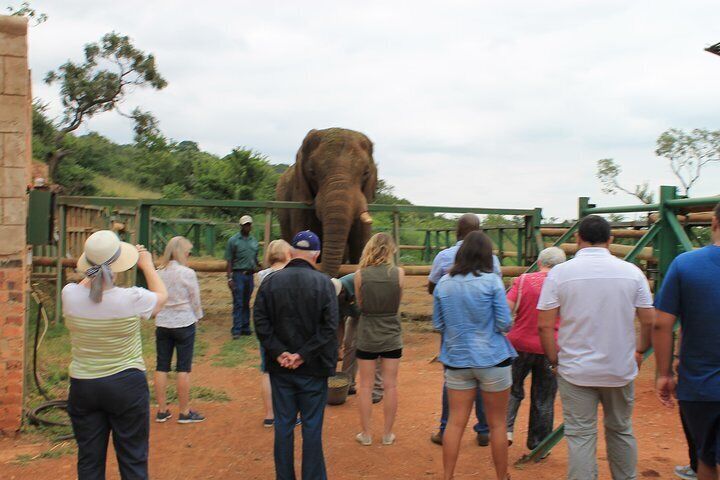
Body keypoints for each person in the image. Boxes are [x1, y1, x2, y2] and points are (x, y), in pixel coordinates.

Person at [537, 215, 655, 480]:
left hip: (576, 370)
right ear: (611, 240)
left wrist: (555, 361)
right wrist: (639, 351)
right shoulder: (631, 272)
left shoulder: (560, 273)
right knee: (621, 429)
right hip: (619, 368)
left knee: (580, 435)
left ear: (578, 239)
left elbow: (544, 326)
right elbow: (649, 320)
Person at [62, 230, 168, 479]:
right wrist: (148, 266)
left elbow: (87, 285)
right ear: (118, 264)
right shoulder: (132, 298)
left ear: (86, 265)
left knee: (89, 461)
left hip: (84, 387)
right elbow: (162, 298)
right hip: (126, 386)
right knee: (133, 459)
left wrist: (95, 266)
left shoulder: (69, 295)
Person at [254, 230, 339, 480]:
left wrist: (280, 353)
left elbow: (260, 321)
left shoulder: (270, 282)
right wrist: (302, 355)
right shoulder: (325, 283)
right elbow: (329, 328)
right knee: (312, 427)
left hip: (281, 369)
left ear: (290, 253)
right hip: (313, 369)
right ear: (317, 255)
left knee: (283, 425)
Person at [433, 231, 516, 480]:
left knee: (455, 423)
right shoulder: (492, 282)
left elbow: (438, 324)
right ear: (486, 255)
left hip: (457, 360)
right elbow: (504, 323)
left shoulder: (444, 284)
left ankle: (447, 475)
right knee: (498, 424)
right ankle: (502, 476)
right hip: (493, 359)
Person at [654, 202, 720, 480]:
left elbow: (661, 323)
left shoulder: (685, 264)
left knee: (706, 457)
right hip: (700, 385)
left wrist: (665, 373)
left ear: (714, 222)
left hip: (700, 386)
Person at [428, 213, 502, 447]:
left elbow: (432, 287)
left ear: (456, 231)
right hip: (485, 333)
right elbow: (497, 294)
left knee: (453, 379)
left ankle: (444, 429)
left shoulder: (443, 256)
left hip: (453, 330)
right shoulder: (493, 259)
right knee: (483, 377)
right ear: (479, 231)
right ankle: (484, 430)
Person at [506, 246, 566, 450]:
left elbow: (507, 309)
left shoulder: (522, 281)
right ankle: (539, 443)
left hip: (518, 344)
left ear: (540, 262)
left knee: (511, 389)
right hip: (551, 347)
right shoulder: (565, 285)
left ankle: (505, 429)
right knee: (544, 397)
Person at [353, 233, 405, 446]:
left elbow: (360, 304)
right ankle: (387, 434)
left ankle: (366, 434)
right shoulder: (399, 274)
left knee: (364, 386)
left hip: (367, 333)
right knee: (390, 385)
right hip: (391, 333)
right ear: (390, 250)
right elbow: (396, 304)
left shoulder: (359, 275)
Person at [154, 236, 205, 424]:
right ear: (183, 252)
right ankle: (184, 412)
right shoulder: (188, 273)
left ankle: (161, 410)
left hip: (163, 322)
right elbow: (195, 299)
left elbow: (156, 296)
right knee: (183, 368)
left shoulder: (158, 272)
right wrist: (198, 316)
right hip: (184, 322)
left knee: (161, 366)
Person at [255, 239, 292, 427]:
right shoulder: (292, 274)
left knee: (267, 370)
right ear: (288, 254)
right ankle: (288, 414)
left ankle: (270, 414)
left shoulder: (261, 275)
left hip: (267, 332)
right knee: (290, 372)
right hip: (290, 331)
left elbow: (255, 305)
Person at [338, 272, 384, 403]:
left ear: (342, 292)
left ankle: (377, 389)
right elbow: (338, 322)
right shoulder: (334, 295)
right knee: (349, 345)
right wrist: (338, 346)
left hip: (373, 313)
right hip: (354, 314)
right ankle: (347, 384)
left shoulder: (359, 281)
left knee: (374, 348)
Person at [226, 214, 260, 339]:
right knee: (238, 302)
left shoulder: (254, 241)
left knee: (246, 301)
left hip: (249, 275)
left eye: (249, 224)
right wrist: (229, 278)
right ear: (241, 226)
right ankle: (236, 329)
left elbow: (255, 258)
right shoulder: (233, 241)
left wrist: (259, 266)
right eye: (245, 224)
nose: (248, 227)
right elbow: (229, 261)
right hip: (238, 274)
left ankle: (245, 327)